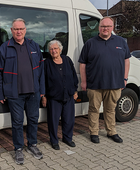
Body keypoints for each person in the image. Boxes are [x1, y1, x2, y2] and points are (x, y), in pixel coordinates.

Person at [0, 18, 45, 165]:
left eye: (21, 29)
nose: (19, 31)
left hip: (33, 92)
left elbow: (41, 69)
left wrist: (41, 89)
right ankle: (18, 149)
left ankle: (32, 145)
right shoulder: (5, 47)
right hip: (14, 93)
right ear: (11, 31)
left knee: (33, 119)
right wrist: (0, 93)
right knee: (17, 122)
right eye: (16, 29)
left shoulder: (33, 45)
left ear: (25, 30)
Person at [78, 16, 131, 144]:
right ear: (99, 27)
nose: (105, 29)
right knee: (94, 110)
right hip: (95, 84)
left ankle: (111, 132)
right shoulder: (90, 43)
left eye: (108, 26)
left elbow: (127, 60)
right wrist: (84, 82)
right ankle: (94, 132)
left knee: (110, 109)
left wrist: (124, 78)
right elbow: (82, 63)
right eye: (103, 26)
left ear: (112, 28)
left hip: (114, 83)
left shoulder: (121, 42)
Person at [41, 40, 78, 150]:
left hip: (69, 95)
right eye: (51, 49)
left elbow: (74, 76)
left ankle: (67, 138)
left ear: (60, 50)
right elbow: (42, 80)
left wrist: (75, 90)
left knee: (69, 119)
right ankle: (54, 140)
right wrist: (43, 96)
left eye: (55, 48)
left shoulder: (67, 60)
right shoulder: (46, 63)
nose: (53, 51)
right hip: (53, 97)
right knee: (53, 121)